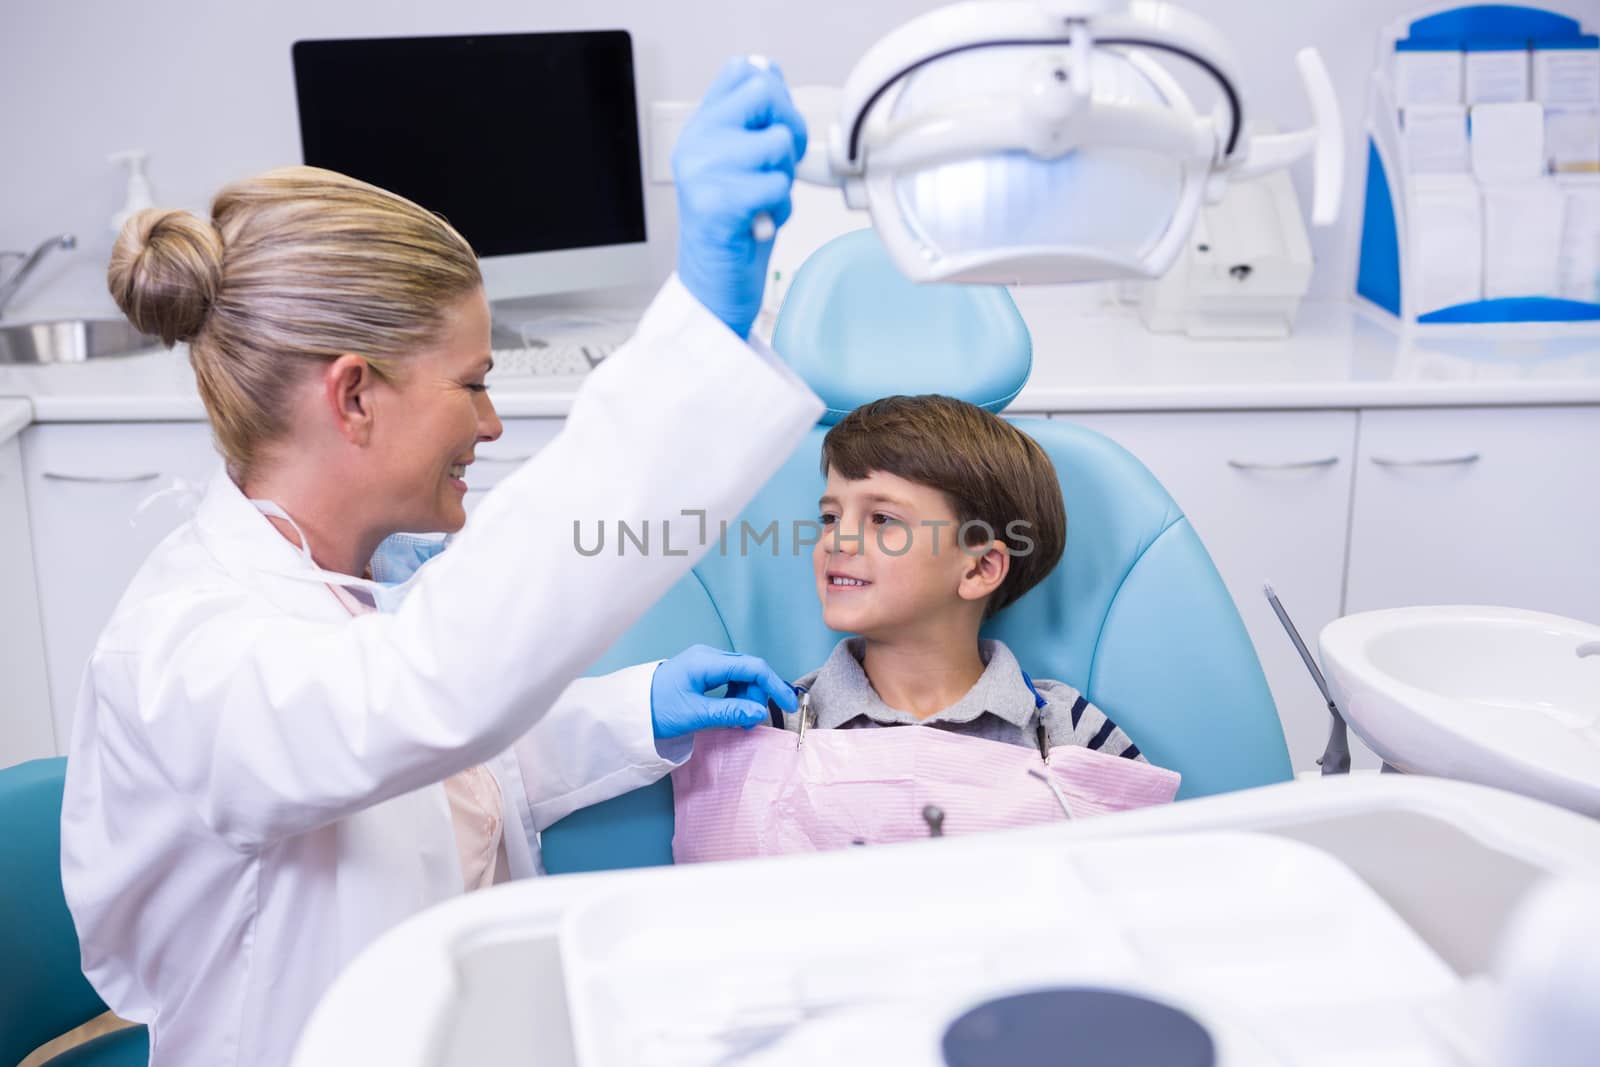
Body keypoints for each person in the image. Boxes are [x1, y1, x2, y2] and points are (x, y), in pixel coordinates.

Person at [59, 60, 823, 1067]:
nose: (492, 420)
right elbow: (413, 698)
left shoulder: (338, 596)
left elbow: (425, 783)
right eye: (472, 382)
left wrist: (631, 711)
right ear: (355, 396)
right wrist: (698, 326)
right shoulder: (187, 654)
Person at [799, 394, 1144, 757]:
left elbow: (1168, 819)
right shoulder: (782, 723)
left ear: (980, 568)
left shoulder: (1068, 732)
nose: (837, 540)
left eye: (883, 519)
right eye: (830, 518)